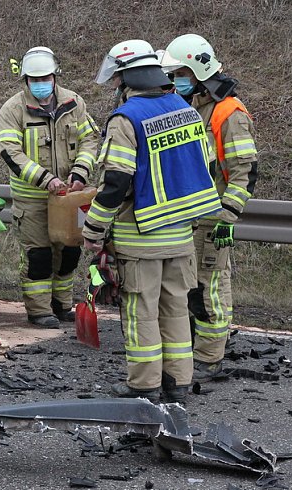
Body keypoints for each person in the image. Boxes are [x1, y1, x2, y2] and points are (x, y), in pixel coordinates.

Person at [82, 39, 222, 403]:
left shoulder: (127, 119)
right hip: (181, 237)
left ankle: (143, 385)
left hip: (140, 239)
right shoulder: (189, 112)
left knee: (141, 313)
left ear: (128, 79)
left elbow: (115, 183)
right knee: (176, 309)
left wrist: (94, 230)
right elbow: (205, 169)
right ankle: (177, 382)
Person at [161, 34, 258, 381]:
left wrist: (228, 215)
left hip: (212, 217)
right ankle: (189, 351)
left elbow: (244, 169)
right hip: (185, 217)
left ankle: (208, 358)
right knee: (185, 288)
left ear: (198, 70)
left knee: (210, 288)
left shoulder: (227, 112)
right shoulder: (184, 105)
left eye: (180, 73)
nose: (174, 80)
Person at [0, 47, 100, 329]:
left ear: (55, 77)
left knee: (69, 252)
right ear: (26, 80)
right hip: (32, 199)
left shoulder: (74, 103)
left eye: (46, 78)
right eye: (34, 79)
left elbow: (90, 139)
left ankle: (62, 304)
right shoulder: (13, 109)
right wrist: (46, 179)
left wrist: (80, 171)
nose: (41, 84)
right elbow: (10, 151)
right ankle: (39, 310)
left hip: (70, 196)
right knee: (39, 255)